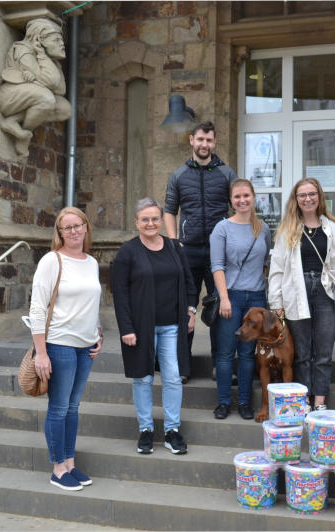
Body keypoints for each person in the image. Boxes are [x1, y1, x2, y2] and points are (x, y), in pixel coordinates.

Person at [112, 198, 197, 456]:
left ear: (162, 220)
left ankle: (172, 431)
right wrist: (126, 328)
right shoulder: (128, 252)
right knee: (143, 378)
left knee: (172, 377)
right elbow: (120, 293)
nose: (150, 223)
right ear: (136, 222)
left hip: (172, 325)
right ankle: (146, 430)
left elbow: (189, 282)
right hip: (140, 328)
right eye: (145, 219)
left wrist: (191, 310)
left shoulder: (174, 247)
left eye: (155, 218)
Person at [30, 207, 103, 491]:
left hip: (85, 347)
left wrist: (98, 334)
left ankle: (70, 463)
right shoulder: (52, 260)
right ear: (59, 232)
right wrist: (41, 352)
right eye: (67, 227)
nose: (73, 231)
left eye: (78, 225)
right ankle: (58, 467)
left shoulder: (91, 262)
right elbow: (38, 307)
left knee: (73, 407)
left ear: (86, 227)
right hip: (59, 344)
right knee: (59, 408)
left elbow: (91, 303)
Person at [269, 178, 335, 411]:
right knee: (302, 353)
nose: (308, 199)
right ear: (295, 200)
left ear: (320, 197)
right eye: (302, 195)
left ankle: (319, 402)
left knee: (324, 352)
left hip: (326, 292)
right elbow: (276, 269)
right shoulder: (288, 230)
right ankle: (303, 401)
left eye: (312, 194)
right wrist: (276, 301)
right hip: (296, 292)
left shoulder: (334, 229)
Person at [163, 121, 237, 383]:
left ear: (214, 143)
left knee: (220, 308)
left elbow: (239, 209)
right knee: (186, 308)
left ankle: (221, 365)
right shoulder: (179, 175)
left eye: (209, 140)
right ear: (192, 140)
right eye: (200, 140)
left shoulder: (227, 174)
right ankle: (183, 367)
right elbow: (169, 210)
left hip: (219, 253)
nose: (204, 144)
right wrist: (174, 241)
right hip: (188, 251)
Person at [210, 179, 271, 420]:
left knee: (247, 353)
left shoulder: (263, 228)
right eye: (237, 197)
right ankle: (224, 401)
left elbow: (266, 263)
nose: (242, 200)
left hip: (256, 297)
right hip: (231, 297)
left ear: (253, 197)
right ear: (231, 200)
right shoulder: (222, 228)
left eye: (246, 195)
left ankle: (245, 401)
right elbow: (217, 266)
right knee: (226, 352)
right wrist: (223, 297)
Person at [0, 18, 71, 157]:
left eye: (61, 40)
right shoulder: (23, 50)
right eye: (56, 40)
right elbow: (50, 82)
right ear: (39, 39)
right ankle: (22, 134)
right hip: (9, 97)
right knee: (46, 98)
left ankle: (19, 127)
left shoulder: (50, 59)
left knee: (65, 108)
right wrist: (42, 57)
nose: (62, 44)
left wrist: (42, 57)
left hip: (29, 95)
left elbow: (61, 89)